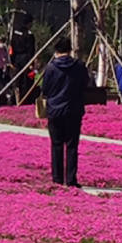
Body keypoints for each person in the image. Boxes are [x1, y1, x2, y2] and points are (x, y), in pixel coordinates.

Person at [41, 38, 89, 186]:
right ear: (70, 50)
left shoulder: (50, 68)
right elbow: (85, 85)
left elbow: (45, 90)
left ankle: (57, 179)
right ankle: (71, 180)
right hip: (74, 111)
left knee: (56, 145)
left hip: (55, 111)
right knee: (72, 146)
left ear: (56, 51)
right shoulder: (80, 66)